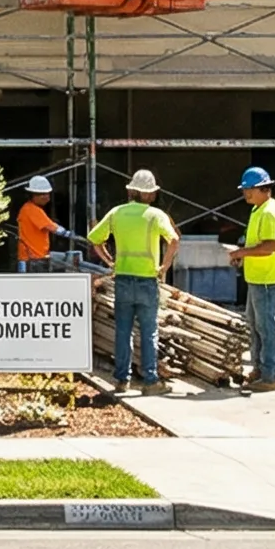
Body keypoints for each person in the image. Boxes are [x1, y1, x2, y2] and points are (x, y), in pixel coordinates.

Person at [87, 169, 179, 394]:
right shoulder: (156, 215)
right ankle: (150, 381)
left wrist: (110, 261)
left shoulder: (117, 213)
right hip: (148, 281)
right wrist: (164, 267)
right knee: (148, 333)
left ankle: (121, 381)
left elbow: (93, 238)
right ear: (149, 194)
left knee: (123, 331)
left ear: (131, 191)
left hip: (123, 281)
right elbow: (174, 240)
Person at [227, 166, 275, 392]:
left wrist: (240, 253)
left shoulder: (270, 212)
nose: (245, 193)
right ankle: (260, 369)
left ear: (263, 188)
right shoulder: (258, 210)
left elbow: (269, 247)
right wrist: (242, 256)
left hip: (266, 279)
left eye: (248, 189)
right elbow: (257, 244)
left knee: (266, 326)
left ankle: (271, 375)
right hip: (257, 277)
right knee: (255, 326)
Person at [15, 176, 61, 271]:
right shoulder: (32, 210)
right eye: (42, 194)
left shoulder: (28, 209)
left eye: (47, 194)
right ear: (32, 195)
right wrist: (74, 236)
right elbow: (53, 228)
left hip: (31, 258)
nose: (46, 197)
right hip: (33, 260)